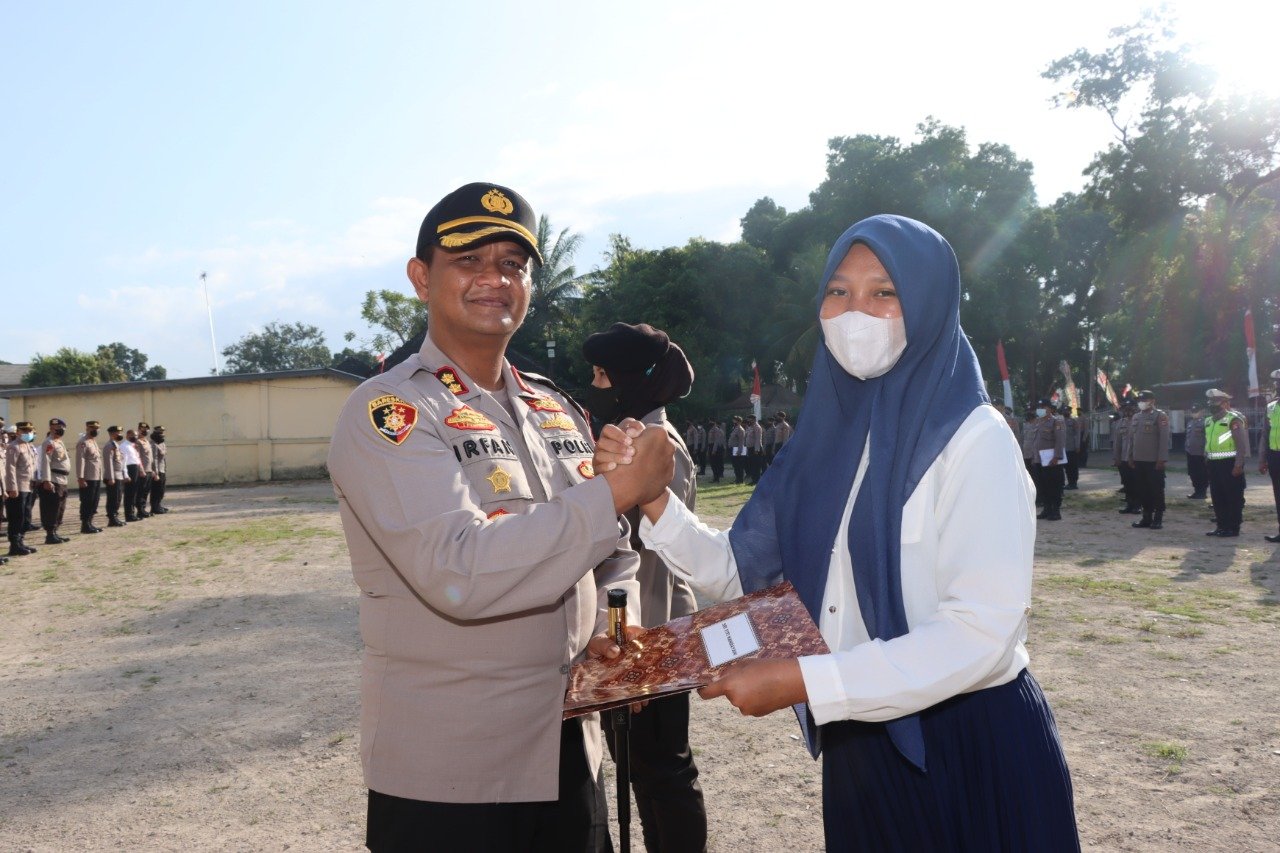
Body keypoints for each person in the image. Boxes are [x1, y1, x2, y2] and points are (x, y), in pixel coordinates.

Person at [600, 214, 1078, 850]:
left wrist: (805, 682)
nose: (856, 313)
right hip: (859, 744)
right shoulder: (822, 444)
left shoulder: (974, 438)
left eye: (885, 292)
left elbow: (979, 634)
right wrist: (653, 499)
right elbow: (742, 573)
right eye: (838, 292)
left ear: (930, 305)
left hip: (966, 741)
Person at [326, 181, 672, 852]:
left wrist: (608, 622)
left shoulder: (555, 409)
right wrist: (617, 490)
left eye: (513, 264)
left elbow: (611, 552)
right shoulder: (390, 413)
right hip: (451, 773)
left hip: (567, 746)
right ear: (422, 278)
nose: (495, 279)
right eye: (469, 261)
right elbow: (461, 570)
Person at [582, 321, 708, 853]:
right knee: (646, 772)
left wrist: (637, 662)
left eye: (600, 374)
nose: (592, 384)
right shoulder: (637, 436)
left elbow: (651, 560)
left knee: (664, 774)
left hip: (650, 632)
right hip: (639, 631)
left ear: (625, 378)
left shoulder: (655, 444)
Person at [1204, 388, 1250, 538]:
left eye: (1215, 401)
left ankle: (1233, 527)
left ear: (1224, 403)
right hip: (1213, 463)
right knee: (1217, 496)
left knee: (1232, 496)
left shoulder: (1233, 419)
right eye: (1210, 401)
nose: (1212, 404)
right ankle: (1221, 525)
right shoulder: (1208, 421)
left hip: (1229, 463)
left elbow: (1241, 445)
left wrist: (1238, 464)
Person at [1126, 390, 1170, 530]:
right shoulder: (1136, 417)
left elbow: (1164, 439)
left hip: (1153, 461)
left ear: (1152, 401)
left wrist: (1161, 459)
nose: (1141, 402)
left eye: (1144, 400)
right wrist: (1130, 456)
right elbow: (1132, 439)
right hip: (1139, 460)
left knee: (1156, 490)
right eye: (1140, 400)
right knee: (1142, 490)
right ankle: (1146, 517)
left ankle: (1158, 518)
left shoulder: (1160, 416)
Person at [4, 421, 40, 556]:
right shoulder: (14, 447)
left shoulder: (29, 446)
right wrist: (12, 487)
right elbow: (10, 468)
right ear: (18, 432)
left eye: (29, 431)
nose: (27, 433)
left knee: (25, 516)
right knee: (16, 517)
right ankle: (14, 545)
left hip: (29, 485)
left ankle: (20, 542)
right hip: (18, 487)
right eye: (24, 431)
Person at [1029, 399, 1066, 521]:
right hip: (1039, 460)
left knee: (1054, 486)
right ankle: (1047, 509)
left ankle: (1055, 510)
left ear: (1050, 408)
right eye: (1039, 407)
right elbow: (1035, 442)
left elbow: (1059, 441)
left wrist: (1057, 456)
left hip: (1051, 461)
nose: (1040, 410)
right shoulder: (1038, 422)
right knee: (1042, 486)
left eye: (1043, 407)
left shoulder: (1056, 422)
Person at [37, 417, 71, 544]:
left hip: (62, 479)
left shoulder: (59, 442)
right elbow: (46, 462)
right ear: (51, 428)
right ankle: (50, 534)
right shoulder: (49, 442)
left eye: (63, 428)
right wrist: (46, 480)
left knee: (60, 507)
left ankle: (55, 531)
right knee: (52, 507)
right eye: (59, 428)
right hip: (53, 478)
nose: (61, 430)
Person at [1258, 369, 1280, 543]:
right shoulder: (1271, 406)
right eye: (1277, 383)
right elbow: (1265, 434)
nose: (1278, 386)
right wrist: (1262, 459)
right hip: (1275, 456)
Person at [75, 420, 104, 534]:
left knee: (94, 501)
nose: (95, 430)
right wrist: (81, 478)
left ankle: (90, 522)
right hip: (87, 477)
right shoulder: (83, 442)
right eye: (92, 428)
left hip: (96, 476)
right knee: (87, 501)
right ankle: (85, 524)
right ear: (87, 429)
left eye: (97, 429)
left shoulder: (93, 441)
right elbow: (80, 460)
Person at [103, 426, 128, 527]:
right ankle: (112, 518)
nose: (120, 434)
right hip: (113, 476)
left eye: (120, 432)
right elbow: (108, 462)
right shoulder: (109, 445)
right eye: (117, 432)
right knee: (113, 498)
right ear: (112, 433)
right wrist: (111, 477)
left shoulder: (116, 445)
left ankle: (115, 516)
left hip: (119, 475)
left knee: (118, 497)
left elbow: (120, 461)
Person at [1185, 403, 1209, 500]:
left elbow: (1207, 438)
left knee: (1202, 473)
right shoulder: (1190, 423)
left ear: (1202, 411)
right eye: (1193, 412)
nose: (1194, 413)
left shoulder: (1206, 422)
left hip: (1200, 453)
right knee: (1192, 473)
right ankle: (1196, 491)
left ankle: (1202, 492)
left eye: (1196, 411)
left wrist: (1206, 452)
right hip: (1190, 452)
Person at [133, 422, 156, 519]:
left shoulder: (146, 441)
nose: (145, 431)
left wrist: (153, 470)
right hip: (142, 470)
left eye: (146, 429)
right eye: (142, 429)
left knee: (146, 491)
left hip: (149, 469)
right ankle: (139, 510)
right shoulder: (137, 442)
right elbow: (137, 457)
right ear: (138, 430)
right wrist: (141, 469)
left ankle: (143, 508)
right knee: (140, 491)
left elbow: (150, 458)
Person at [120, 429, 143, 522]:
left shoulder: (133, 446)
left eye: (137, 435)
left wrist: (141, 470)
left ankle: (132, 513)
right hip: (129, 470)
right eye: (133, 435)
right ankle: (129, 515)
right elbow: (123, 462)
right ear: (127, 435)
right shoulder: (124, 446)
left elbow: (137, 459)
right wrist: (125, 474)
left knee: (134, 493)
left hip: (135, 469)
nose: (135, 437)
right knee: (129, 494)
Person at [149, 425, 169, 514]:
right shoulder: (153, 444)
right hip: (157, 470)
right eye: (160, 432)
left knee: (161, 489)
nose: (162, 434)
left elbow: (163, 456)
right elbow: (154, 459)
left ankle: (159, 505)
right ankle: (154, 507)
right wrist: (156, 472)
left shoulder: (162, 443)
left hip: (162, 468)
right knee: (156, 489)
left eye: (162, 432)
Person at [1063, 408, 1081, 490]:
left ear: (1070, 412)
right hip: (1063, 448)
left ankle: (1074, 483)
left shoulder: (1074, 421)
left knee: (1073, 466)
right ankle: (1070, 482)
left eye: (1067, 411)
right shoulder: (1060, 421)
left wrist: (1077, 446)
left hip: (1072, 448)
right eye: (1064, 411)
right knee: (1067, 467)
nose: (1066, 412)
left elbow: (1077, 434)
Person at [727, 416, 746, 484]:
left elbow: (741, 441)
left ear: (739, 422)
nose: (734, 422)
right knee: (735, 465)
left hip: (737, 449)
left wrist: (739, 451)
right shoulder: (734, 428)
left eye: (735, 421)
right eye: (734, 420)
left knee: (739, 465)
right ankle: (737, 478)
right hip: (733, 448)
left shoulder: (740, 429)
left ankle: (740, 480)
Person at [706, 419, 725, 483]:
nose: (709, 423)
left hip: (715, 448)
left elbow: (716, 441)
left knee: (715, 464)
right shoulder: (711, 429)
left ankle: (717, 478)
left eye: (711, 421)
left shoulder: (716, 430)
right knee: (712, 464)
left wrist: (714, 450)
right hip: (711, 446)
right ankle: (715, 478)